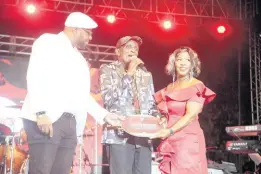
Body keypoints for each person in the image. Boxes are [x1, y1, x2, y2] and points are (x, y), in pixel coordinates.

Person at [20, 12, 124, 174]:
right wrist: (40, 112)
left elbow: (81, 95)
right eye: (88, 32)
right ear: (75, 29)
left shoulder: (80, 59)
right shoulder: (49, 41)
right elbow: (35, 75)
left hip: (70, 123)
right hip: (48, 118)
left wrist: (104, 115)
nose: (90, 38)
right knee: (41, 170)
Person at [99, 36, 161, 174]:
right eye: (128, 47)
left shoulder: (146, 74)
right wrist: (129, 73)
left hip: (143, 136)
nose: (132, 50)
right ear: (118, 52)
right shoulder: (108, 70)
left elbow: (152, 104)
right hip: (119, 134)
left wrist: (158, 117)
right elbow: (109, 99)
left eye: (135, 48)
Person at [150, 46, 216, 174]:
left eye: (187, 60)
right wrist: (163, 120)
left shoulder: (196, 85)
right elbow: (165, 111)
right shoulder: (170, 87)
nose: (183, 63)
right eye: (179, 59)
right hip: (170, 139)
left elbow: (190, 115)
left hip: (188, 140)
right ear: (174, 63)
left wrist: (169, 131)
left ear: (192, 64)